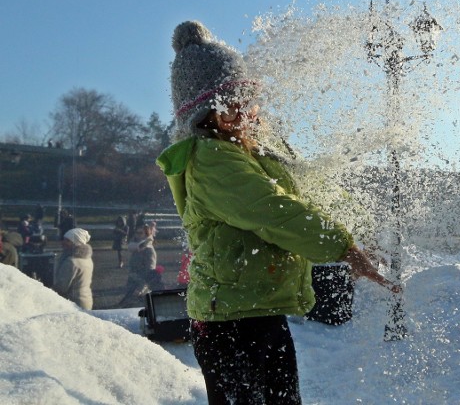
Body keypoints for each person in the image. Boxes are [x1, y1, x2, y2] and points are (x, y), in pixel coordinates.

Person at [156, 20, 396, 405]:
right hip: (228, 323)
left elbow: (309, 191)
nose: (243, 117)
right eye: (227, 110)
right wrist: (343, 247)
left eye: (246, 103)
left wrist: (359, 233)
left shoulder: (252, 153)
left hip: (255, 310)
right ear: (201, 118)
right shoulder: (212, 160)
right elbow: (276, 211)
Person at [119, 223, 162, 306]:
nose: (137, 235)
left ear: (146, 234)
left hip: (140, 287)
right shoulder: (137, 248)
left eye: (140, 233)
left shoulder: (149, 250)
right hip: (132, 282)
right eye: (136, 232)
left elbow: (150, 272)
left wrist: (141, 289)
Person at [54, 228, 94, 310]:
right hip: (86, 300)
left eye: (68, 240)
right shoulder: (87, 258)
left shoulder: (71, 262)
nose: (63, 242)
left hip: (73, 302)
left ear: (75, 242)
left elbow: (61, 287)